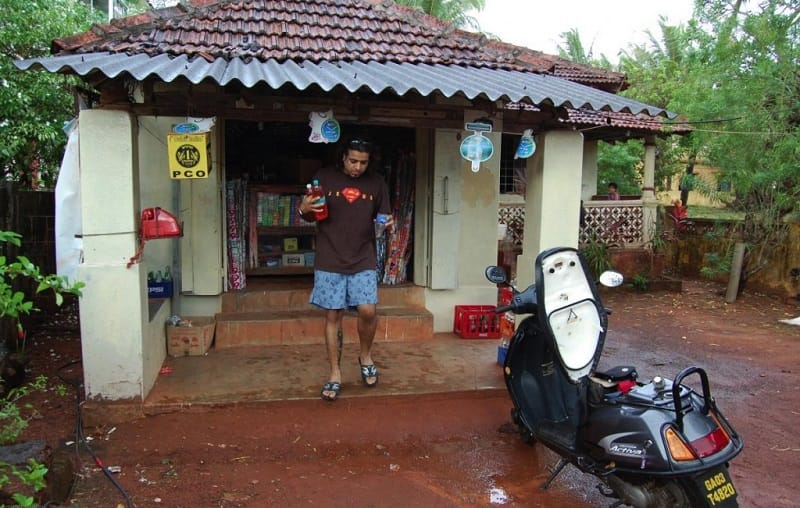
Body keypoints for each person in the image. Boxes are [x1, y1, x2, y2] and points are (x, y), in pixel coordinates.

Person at [298, 138, 394, 402]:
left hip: (363, 256)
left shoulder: (377, 183)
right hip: (330, 257)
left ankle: (365, 355)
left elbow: (384, 216)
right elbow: (310, 212)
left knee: (368, 310)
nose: (358, 167)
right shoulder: (324, 178)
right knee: (333, 315)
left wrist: (386, 223)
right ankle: (335, 373)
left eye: (363, 162)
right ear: (343, 158)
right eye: (353, 161)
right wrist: (303, 208)